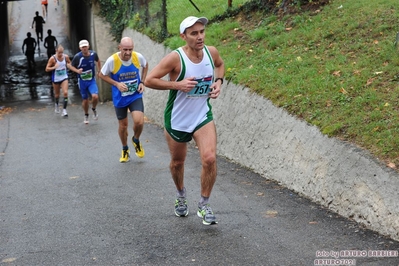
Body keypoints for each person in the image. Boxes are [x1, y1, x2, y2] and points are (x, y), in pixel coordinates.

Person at [145, 16, 225, 225]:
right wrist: (177, 85)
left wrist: (218, 81)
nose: (200, 37)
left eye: (201, 32)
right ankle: (181, 196)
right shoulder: (175, 58)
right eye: (194, 33)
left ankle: (204, 204)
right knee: (178, 162)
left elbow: (220, 64)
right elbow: (149, 80)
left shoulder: (211, 52)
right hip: (178, 119)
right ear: (183, 36)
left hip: (201, 116)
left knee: (209, 158)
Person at [99, 37, 148, 163]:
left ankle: (136, 140)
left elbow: (145, 65)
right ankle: (125, 149)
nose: (128, 52)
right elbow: (101, 74)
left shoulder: (137, 57)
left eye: (130, 49)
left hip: (135, 95)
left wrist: (142, 81)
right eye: (125, 49)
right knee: (123, 126)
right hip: (120, 98)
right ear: (119, 48)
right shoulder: (113, 60)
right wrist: (116, 84)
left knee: (139, 122)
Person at [69, 40, 101, 124]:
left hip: (91, 80)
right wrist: (77, 71)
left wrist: (99, 71)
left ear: (88, 46)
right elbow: (70, 66)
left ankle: (93, 108)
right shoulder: (77, 57)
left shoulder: (93, 54)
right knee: (85, 100)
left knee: (95, 97)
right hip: (82, 81)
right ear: (80, 48)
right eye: (82, 47)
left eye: (85, 46)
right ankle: (86, 114)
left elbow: (98, 60)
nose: (84, 48)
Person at [45, 44, 73, 117]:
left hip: (64, 77)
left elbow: (69, 62)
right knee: (57, 95)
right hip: (56, 78)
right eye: (59, 53)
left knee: (65, 93)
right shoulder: (52, 59)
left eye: (62, 52)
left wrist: (69, 66)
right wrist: (54, 67)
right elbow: (47, 69)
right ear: (56, 51)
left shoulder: (65, 57)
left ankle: (64, 110)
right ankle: (56, 104)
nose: (61, 54)